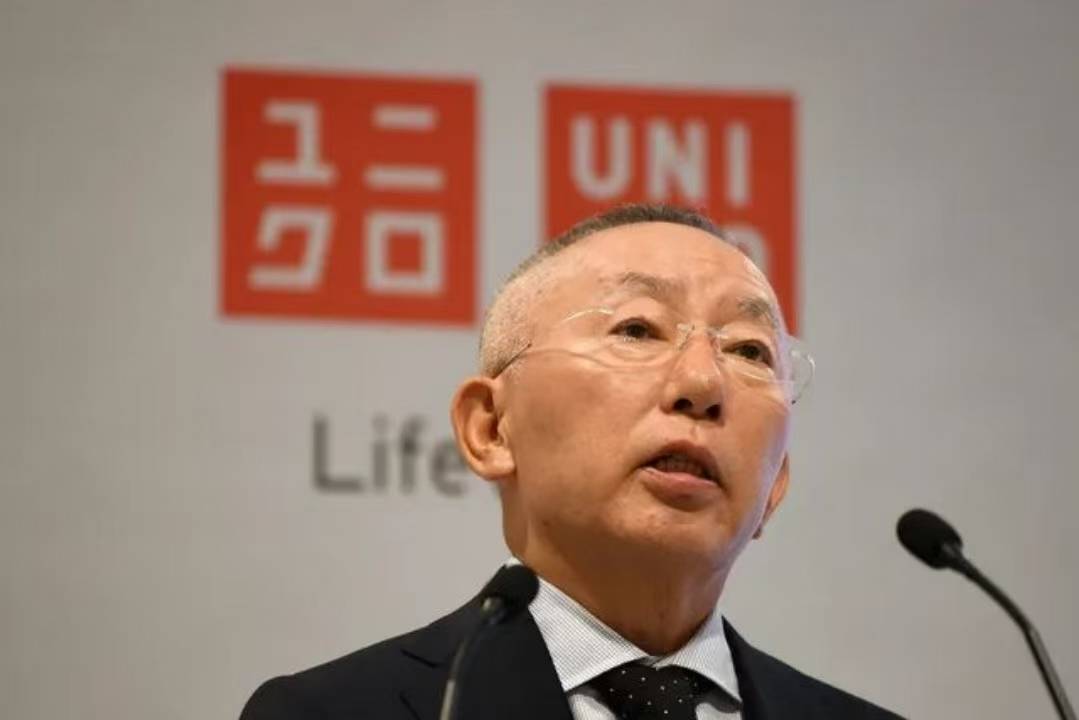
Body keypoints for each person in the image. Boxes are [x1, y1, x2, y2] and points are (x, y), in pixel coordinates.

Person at [240, 204, 902, 719]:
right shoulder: (333, 713)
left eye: (750, 351)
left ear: (775, 483)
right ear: (491, 429)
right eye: (637, 329)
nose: (703, 383)